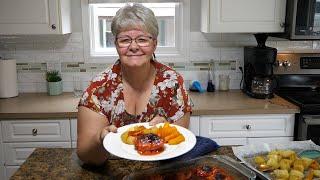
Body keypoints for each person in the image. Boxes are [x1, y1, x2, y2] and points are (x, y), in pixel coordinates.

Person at [77, 3, 192, 166]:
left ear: (154, 44)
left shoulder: (172, 84)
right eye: (125, 40)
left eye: (142, 39)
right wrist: (100, 138)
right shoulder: (99, 88)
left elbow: (180, 149)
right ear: (116, 44)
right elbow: (86, 155)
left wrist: (166, 133)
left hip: (160, 173)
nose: (133, 46)